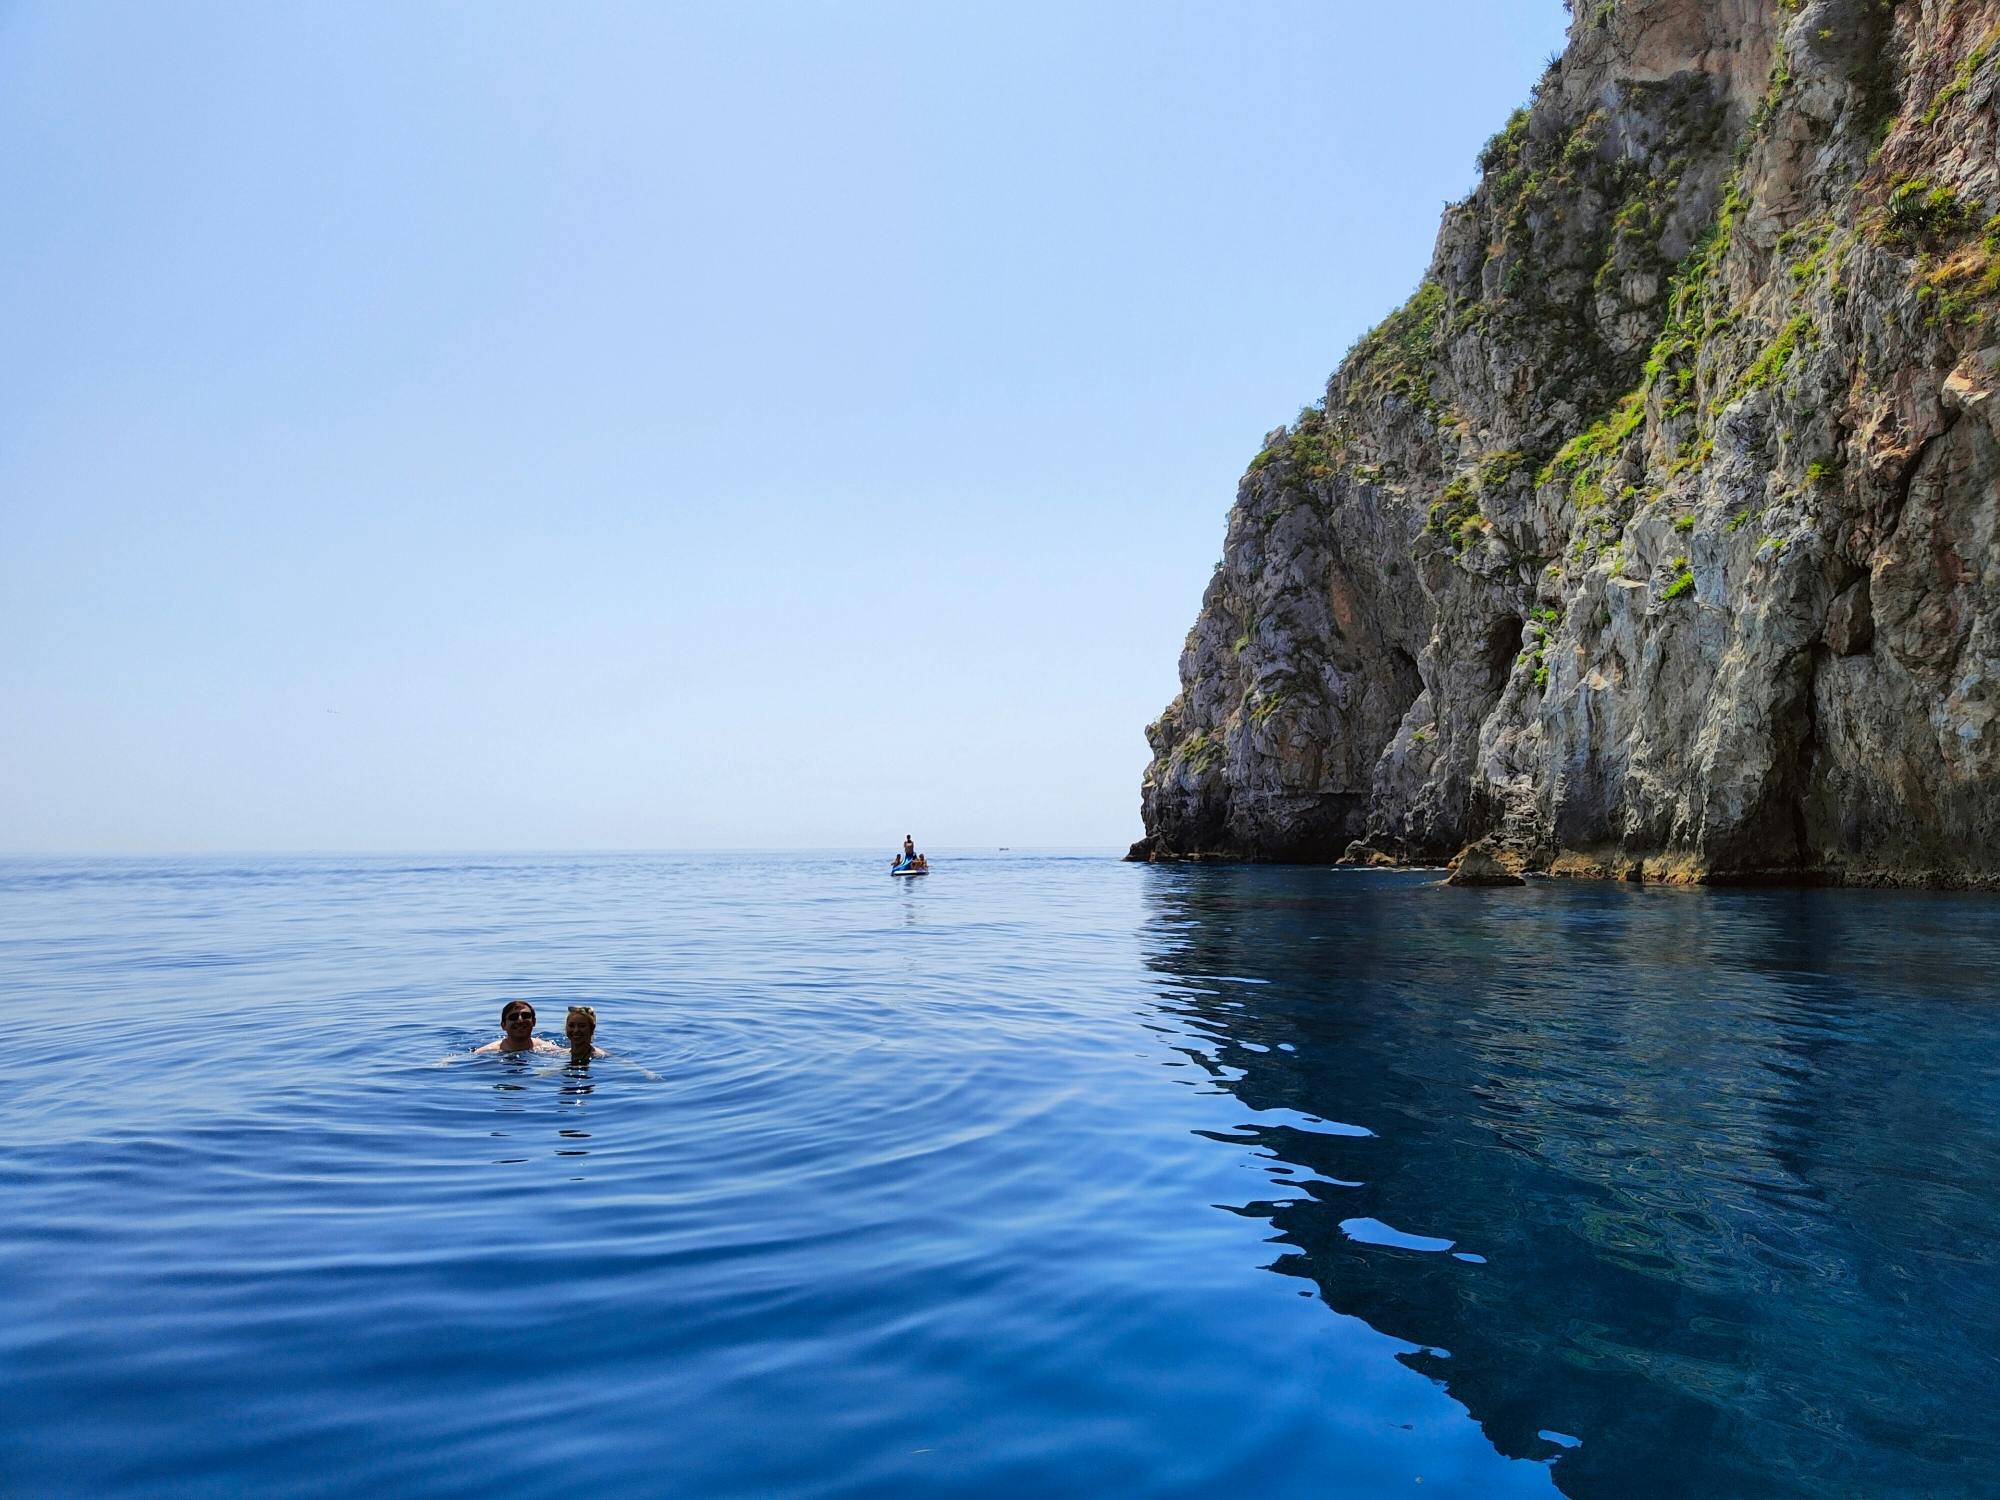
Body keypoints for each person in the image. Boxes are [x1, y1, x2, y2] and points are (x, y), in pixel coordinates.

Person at [474, 999, 564, 1055]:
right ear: (503, 1025)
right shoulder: (486, 1052)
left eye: (526, 1016)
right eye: (513, 1017)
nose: (520, 1020)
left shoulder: (546, 1048)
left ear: (534, 1022)